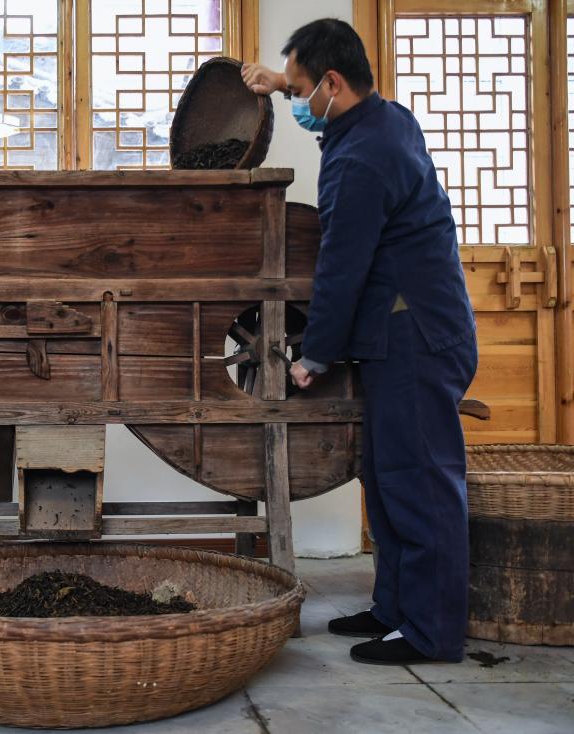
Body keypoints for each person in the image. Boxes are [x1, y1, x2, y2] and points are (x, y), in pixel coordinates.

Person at [242, 19, 477, 665]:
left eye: (299, 91)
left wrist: (314, 354)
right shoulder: (384, 121)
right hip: (409, 327)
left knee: (420, 481)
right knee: (388, 475)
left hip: (414, 336)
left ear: (332, 82)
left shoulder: (360, 159)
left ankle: (430, 633)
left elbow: (342, 267)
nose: (296, 102)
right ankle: (395, 608)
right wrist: (276, 79)